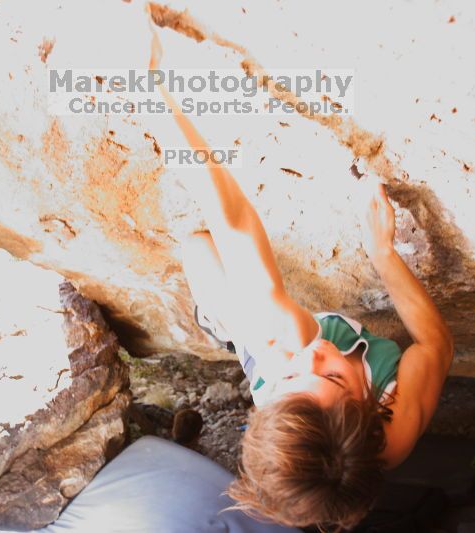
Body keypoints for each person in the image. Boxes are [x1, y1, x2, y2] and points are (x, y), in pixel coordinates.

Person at [148, 25, 454, 531]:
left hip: (262, 343)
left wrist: (154, 87)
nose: (311, 357)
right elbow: (436, 343)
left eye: (295, 379)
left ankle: (225, 327)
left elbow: (235, 223)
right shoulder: (393, 431)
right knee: (292, 331)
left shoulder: (284, 348)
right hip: (313, 373)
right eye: (332, 375)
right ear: (372, 407)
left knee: (199, 247)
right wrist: (383, 255)